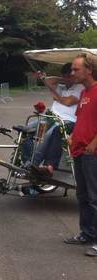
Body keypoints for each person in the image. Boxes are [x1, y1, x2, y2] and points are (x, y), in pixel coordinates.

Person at [64, 53, 97, 257]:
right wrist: (73, 137)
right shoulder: (85, 93)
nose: (72, 72)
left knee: (95, 197)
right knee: (83, 196)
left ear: (89, 70)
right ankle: (87, 233)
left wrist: (94, 143)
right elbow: (82, 120)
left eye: (76, 69)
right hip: (79, 151)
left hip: (92, 153)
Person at [29, 63, 83, 175]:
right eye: (65, 76)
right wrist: (63, 79)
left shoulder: (79, 87)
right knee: (28, 128)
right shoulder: (62, 86)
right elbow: (48, 81)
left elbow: (68, 102)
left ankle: (33, 163)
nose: (67, 79)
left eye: (70, 76)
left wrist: (58, 97)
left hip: (67, 121)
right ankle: (26, 159)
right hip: (51, 117)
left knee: (49, 133)